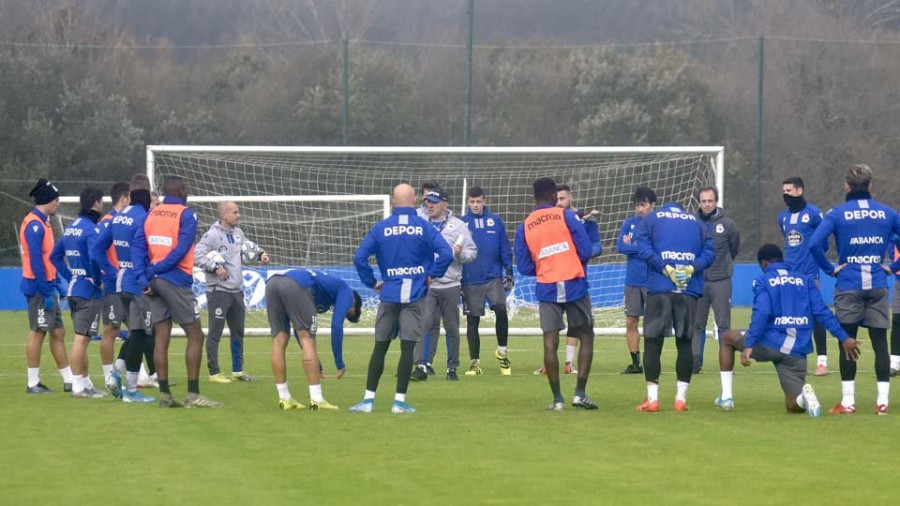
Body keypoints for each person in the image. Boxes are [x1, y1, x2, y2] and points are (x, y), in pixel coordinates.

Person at [716, 244, 859, 416]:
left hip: (770, 343)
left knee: (726, 337)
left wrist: (750, 344)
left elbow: (762, 312)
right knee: (793, 405)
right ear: (782, 259)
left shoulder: (764, 281)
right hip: (797, 351)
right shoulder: (805, 280)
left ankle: (726, 398)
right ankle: (802, 398)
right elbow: (822, 312)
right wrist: (844, 337)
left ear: (763, 263)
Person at [349, 183, 452, 413]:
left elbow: (359, 258)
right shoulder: (423, 227)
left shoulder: (381, 228)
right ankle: (399, 402)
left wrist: (371, 282)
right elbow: (445, 253)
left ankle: (368, 400)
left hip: (389, 294)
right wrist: (431, 275)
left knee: (380, 347)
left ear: (393, 201)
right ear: (415, 200)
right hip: (414, 295)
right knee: (408, 349)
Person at [809, 164, 900, 415]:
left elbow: (815, 243)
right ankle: (883, 403)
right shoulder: (887, 213)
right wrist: (894, 266)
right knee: (880, 343)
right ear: (870, 186)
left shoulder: (837, 214)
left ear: (846, 186)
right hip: (878, 283)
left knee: (846, 341)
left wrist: (829, 269)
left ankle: (848, 402)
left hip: (849, 284)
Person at [514, 177, 596, 411]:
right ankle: (579, 394)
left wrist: (543, 265)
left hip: (547, 285)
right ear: (552, 196)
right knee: (586, 335)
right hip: (573, 282)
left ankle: (558, 399)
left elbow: (523, 266)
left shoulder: (525, 225)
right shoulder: (566, 216)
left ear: (534, 198)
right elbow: (586, 250)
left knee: (550, 342)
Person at [140, 175, 222, 408]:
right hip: (175, 280)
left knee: (161, 336)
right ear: (183, 190)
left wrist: (146, 274)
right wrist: (158, 269)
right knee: (195, 335)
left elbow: (141, 246)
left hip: (153, 281)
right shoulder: (187, 214)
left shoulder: (152, 213)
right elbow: (181, 249)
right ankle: (193, 394)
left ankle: (165, 395)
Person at [633, 199, 715, 412]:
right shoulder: (698, 222)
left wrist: (664, 268)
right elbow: (709, 253)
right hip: (688, 289)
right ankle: (680, 399)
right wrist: (691, 268)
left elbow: (641, 247)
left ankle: (653, 399)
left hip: (660, 287)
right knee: (685, 342)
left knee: (652, 342)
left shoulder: (651, 219)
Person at [93, 174, 157, 403]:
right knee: (141, 333)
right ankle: (130, 390)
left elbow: (97, 250)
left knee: (136, 333)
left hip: (121, 282)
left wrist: (113, 272)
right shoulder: (146, 218)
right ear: (147, 195)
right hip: (138, 283)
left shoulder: (118, 218)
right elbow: (147, 251)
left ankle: (115, 375)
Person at [194, 201, 269, 384]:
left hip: (237, 291)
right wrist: (215, 267)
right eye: (235, 212)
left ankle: (238, 370)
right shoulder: (212, 235)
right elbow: (197, 255)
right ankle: (214, 372)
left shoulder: (238, 233)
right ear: (224, 215)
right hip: (219, 291)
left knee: (238, 332)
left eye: (239, 212)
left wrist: (261, 254)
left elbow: (247, 247)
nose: (239, 215)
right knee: (215, 332)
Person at [532, 184, 602, 375]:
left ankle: (569, 363)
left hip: (576, 277)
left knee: (577, 324)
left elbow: (596, 246)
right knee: (550, 328)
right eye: (558, 198)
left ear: (570, 197)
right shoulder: (546, 221)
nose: (560, 202)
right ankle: (549, 364)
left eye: (563, 199)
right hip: (551, 278)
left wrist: (579, 256)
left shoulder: (586, 220)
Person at [266, 268, 361, 410]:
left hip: (272, 282)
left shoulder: (326, 290)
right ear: (355, 302)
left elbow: (297, 330)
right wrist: (339, 362)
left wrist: (318, 365)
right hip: (297, 284)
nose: (346, 311)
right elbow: (336, 326)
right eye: (350, 311)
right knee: (308, 339)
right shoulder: (347, 292)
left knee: (279, 340)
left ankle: (284, 398)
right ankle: (316, 399)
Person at [411, 187, 477, 381]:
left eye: (434, 202)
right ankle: (421, 366)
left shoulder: (459, 226)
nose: (429, 205)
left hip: (450, 285)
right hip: (428, 284)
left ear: (445, 204)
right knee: (423, 324)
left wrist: (460, 255)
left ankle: (452, 368)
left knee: (451, 327)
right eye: (427, 202)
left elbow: (472, 252)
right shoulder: (421, 223)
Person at [20, 178, 73, 394]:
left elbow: (48, 258)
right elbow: (36, 261)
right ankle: (33, 383)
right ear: (47, 201)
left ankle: (69, 379)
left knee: (58, 332)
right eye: (56, 200)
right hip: (38, 288)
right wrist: (45, 289)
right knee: (39, 332)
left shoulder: (44, 222)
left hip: (48, 286)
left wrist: (57, 285)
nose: (58, 204)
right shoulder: (34, 225)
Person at [51, 187, 105, 398]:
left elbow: (55, 257)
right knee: (81, 339)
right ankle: (77, 387)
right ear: (97, 203)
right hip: (88, 292)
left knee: (84, 339)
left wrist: (71, 275)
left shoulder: (71, 227)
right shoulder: (91, 229)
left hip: (75, 289)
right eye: (101, 202)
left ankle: (86, 382)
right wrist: (97, 279)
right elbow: (94, 257)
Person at [460, 186, 514, 376]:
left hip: (493, 276)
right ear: (468, 202)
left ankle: (502, 353)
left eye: (479, 201)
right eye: (472, 202)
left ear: (485, 201)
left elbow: (504, 246)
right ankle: (475, 363)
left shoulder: (495, 220)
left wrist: (509, 270)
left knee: (501, 309)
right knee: (472, 320)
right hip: (470, 279)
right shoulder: (461, 222)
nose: (476, 205)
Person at [778, 177, 830, 375]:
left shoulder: (815, 214)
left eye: (789, 190)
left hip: (810, 274)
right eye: (784, 191)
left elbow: (823, 243)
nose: (785, 194)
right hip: (791, 277)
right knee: (795, 319)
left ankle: (822, 361)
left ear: (800, 191)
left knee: (816, 317)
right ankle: (801, 361)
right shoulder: (782, 217)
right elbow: (789, 243)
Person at [693, 187, 740, 374]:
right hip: (698, 281)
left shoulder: (728, 224)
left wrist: (722, 267)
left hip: (721, 280)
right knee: (697, 325)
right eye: (703, 201)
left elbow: (734, 248)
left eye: (710, 201)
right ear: (699, 202)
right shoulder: (692, 223)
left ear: (716, 201)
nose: (707, 204)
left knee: (723, 326)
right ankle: (695, 364)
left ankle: (726, 366)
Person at [97, 181, 133, 391]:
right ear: (124, 199)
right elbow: (97, 251)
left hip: (127, 284)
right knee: (111, 331)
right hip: (113, 286)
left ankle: (135, 374)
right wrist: (112, 274)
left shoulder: (121, 220)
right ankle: (108, 376)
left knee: (139, 330)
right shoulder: (109, 221)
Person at [616, 186, 656, 375]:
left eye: (644, 205)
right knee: (631, 322)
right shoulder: (629, 223)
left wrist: (633, 245)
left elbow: (656, 250)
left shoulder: (658, 224)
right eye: (637, 205)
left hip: (652, 281)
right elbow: (620, 246)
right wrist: (641, 248)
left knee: (652, 324)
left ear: (652, 205)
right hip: (632, 281)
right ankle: (635, 363)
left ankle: (651, 360)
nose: (640, 209)